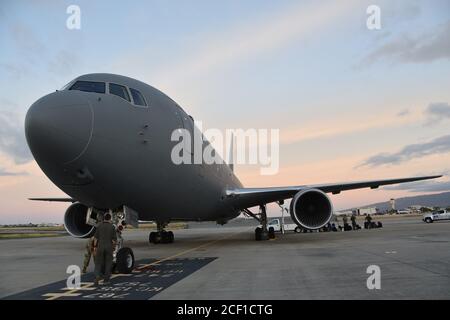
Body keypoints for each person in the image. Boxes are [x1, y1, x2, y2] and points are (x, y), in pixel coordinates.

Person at [93, 212, 117, 285]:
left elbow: (95, 238)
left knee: (98, 263)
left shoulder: (99, 226)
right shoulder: (112, 227)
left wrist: (94, 247)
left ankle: (97, 276)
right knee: (108, 263)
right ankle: (106, 280)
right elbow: (114, 240)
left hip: (100, 247)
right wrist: (114, 247)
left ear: (104, 218)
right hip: (109, 247)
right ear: (110, 219)